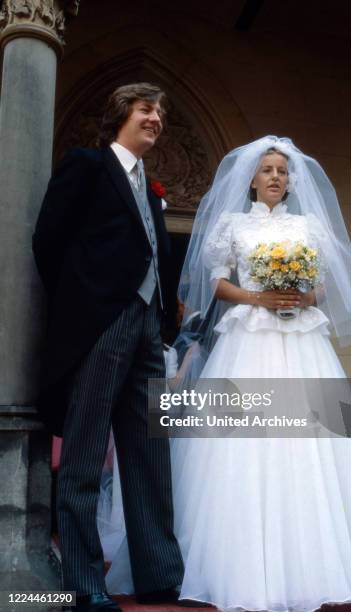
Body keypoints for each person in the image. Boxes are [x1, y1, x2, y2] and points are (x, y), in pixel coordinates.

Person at [99, 137, 351, 611]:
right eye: (267, 169)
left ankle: (321, 561)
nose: (276, 176)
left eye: (282, 170)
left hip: (302, 341)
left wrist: (302, 298)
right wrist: (259, 298)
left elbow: (324, 285)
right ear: (252, 179)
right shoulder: (232, 224)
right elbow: (214, 280)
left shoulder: (308, 226)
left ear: (291, 179)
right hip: (248, 340)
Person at [32, 83, 184, 612]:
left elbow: (157, 255)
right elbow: (48, 241)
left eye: (161, 111)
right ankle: (83, 582)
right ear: (121, 113)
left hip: (148, 330)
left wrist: (161, 324)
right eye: (147, 109)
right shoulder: (87, 166)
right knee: (84, 456)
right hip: (100, 324)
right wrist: (84, 306)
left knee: (149, 454)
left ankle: (159, 576)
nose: (157, 118)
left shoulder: (152, 189)